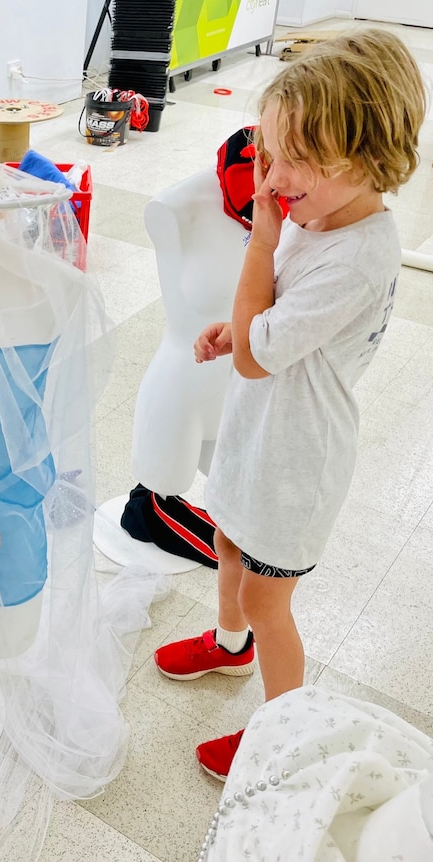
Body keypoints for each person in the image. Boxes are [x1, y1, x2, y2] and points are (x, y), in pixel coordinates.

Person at [153, 28, 427, 780]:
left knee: (272, 604)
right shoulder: (323, 216)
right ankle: (229, 645)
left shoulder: (359, 253)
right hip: (261, 430)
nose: (271, 178)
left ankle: (281, 732)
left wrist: (258, 245)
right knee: (227, 546)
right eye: (269, 154)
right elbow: (267, 327)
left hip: (295, 465)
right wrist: (237, 324)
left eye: (294, 160)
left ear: (368, 155)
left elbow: (257, 349)